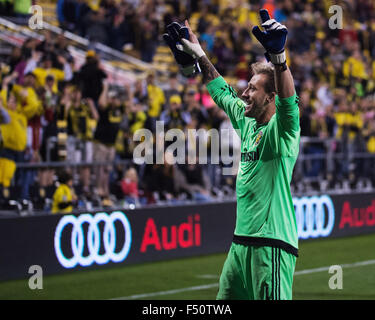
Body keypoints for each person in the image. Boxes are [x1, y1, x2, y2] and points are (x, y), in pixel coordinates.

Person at [164, 10, 300, 300]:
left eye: (252, 89)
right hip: (240, 245)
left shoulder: (282, 131)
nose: (244, 94)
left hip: (271, 245)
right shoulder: (248, 121)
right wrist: (200, 53)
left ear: (269, 97)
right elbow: (222, 93)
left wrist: (279, 59)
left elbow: (288, 103)